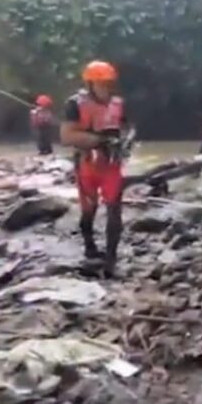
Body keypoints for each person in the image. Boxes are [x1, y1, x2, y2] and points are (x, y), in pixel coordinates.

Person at [60, 61, 129, 277]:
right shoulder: (75, 104)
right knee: (88, 210)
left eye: (108, 84)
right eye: (101, 84)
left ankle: (111, 261)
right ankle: (90, 247)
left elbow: (127, 128)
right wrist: (99, 141)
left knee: (114, 210)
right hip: (87, 164)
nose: (105, 88)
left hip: (111, 165)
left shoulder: (118, 104)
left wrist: (124, 142)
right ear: (90, 84)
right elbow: (66, 136)